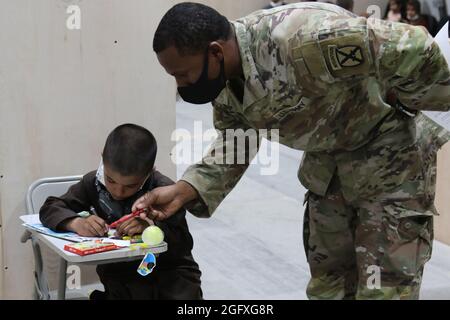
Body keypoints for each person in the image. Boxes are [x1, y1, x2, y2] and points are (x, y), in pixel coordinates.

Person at [136, 2, 450, 300]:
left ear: (215, 52)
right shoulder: (226, 79)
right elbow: (238, 138)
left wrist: (413, 100)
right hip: (328, 172)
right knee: (329, 287)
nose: (181, 84)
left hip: (391, 163)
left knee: (384, 287)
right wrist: (183, 191)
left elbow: (413, 45)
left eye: (182, 74)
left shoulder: (300, 38)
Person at [40, 124, 203, 300]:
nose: (118, 192)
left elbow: (183, 243)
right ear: (103, 160)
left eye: (130, 186)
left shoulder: (163, 191)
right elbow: (51, 207)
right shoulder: (93, 184)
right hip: (121, 277)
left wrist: (150, 227)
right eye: (111, 180)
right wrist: (75, 223)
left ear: (150, 171)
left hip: (170, 277)